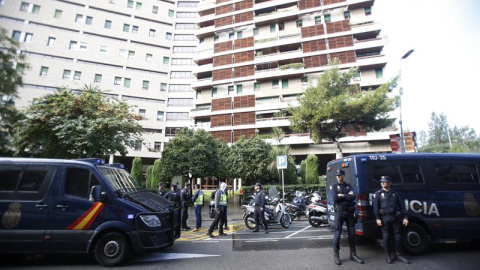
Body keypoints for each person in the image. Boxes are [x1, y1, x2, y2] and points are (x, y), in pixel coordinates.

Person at [373, 176, 411, 264]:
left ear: (390, 183)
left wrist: (405, 217)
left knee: (397, 236)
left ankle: (398, 255)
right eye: (381, 181)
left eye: (385, 182)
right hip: (384, 217)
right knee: (386, 236)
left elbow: (401, 206)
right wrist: (377, 218)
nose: (382, 183)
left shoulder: (395, 193)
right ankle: (388, 255)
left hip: (395, 217)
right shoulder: (378, 194)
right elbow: (375, 208)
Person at [331, 169, 364, 265]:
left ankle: (353, 254)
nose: (338, 177)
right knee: (337, 233)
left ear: (343, 176)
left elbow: (353, 196)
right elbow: (335, 198)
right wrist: (346, 195)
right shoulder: (334, 186)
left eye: (340, 175)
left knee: (352, 233)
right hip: (339, 212)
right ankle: (336, 255)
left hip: (349, 212)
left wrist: (342, 195)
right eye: (337, 175)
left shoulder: (349, 186)